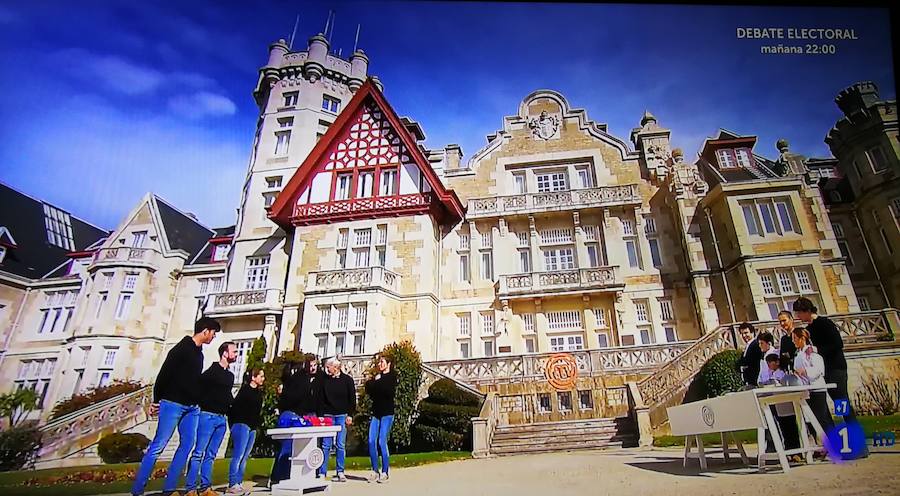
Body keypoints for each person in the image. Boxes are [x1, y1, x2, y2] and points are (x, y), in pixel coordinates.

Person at [131, 317, 219, 496]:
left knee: (187, 444)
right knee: (159, 445)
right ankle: (138, 489)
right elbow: (164, 375)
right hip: (173, 403)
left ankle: (169, 489)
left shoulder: (199, 353)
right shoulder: (180, 349)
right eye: (213, 333)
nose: (214, 337)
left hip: (192, 408)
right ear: (205, 331)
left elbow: (193, 381)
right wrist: (156, 401)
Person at [185, 342, 238, 496]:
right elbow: (198, 388)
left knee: (211, 454)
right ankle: (190, 488)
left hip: (221, 419)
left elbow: (227, 396)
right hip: (207, 416)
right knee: (198, 453)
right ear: (224, 353)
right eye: (234, 351)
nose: (236, 354)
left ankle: (206, 487)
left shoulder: (230, 375)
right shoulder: (212, 371)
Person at [792, 298, 854, 421]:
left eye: (799, 313)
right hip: (822, 370)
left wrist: (817, 349)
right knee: (829, 402)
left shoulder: (825, 323)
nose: (798, 316)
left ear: (808, 311)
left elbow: (837, 344)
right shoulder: (809, 329)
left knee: (840, 400)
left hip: (835, 368)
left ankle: (853, 431)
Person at [270, 357, 321, 485]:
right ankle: (280, 477)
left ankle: (280, 477)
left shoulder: (293, 381)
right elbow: (298, 398)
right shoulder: (301, 381)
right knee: (288, 447)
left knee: (288, 447)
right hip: (292, 415)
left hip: (292, 414)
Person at [757, 332, 801, 459]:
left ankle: (795, 451)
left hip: (784, 399)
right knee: (781, 425)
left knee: (790, 425)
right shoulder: (765, 362)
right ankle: (786, 449)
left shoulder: (781, 370)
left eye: (761, 343)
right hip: (771, 397)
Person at [791, 327, 834, 453]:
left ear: (802, 338)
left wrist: (805, 372)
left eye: (795, 338)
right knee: (811, 420)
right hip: (806, 390)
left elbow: (819, 370)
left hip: (816, 388)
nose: (794, 341)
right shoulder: (799, 354)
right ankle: (820, 447)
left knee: (822, 418)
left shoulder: (812, 353)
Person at [317, 357, 357, 482]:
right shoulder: (324, 380)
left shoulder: (347, 380)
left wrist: (350, 414)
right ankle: (322, 472)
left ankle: (340, 471)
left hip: (341, 415)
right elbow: (321, 398)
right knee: (326, 445)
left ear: (336, 368)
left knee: (340, 444)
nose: (327, 369)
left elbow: (352, 398)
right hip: (328, 415)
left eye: (329, 367)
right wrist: (321, 415)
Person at [226, 367, 265, 495]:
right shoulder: (245, 391)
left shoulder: (259, 393)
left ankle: (239, 482)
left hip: (252, 426)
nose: (263, 379)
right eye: (261, 376)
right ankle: (232, 483)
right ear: (253, 377)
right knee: (238, 455)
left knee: (245, 456)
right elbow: (234, 408)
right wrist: (233, 424)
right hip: (242, 425)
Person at [365, 354, 397, 483]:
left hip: (387, 413)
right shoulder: (377, 378)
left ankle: (385, 471)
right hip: (376, 413)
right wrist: (375, 382)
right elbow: (369, 388)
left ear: (388, 364)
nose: (380, 364)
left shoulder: (392, 377)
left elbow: (387, 391)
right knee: (371, 441)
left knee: (381, 442)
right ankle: (374, 470)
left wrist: (377, 383)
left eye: (383, 362)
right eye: (379, 362)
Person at [737, 322, 762, 386]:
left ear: (752, 332)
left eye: (746, 333)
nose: (744, 336)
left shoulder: (756, 345)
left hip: (755, 380)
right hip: (748, 381)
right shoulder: (746, 347)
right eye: (742, 334)